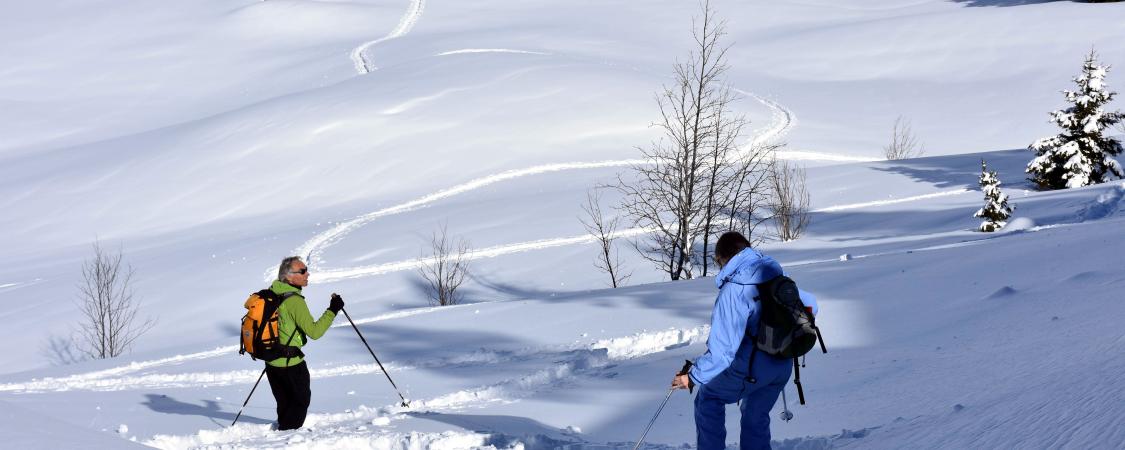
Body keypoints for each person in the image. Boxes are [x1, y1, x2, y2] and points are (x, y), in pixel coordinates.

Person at [671, 231, 818, 450]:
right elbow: (812, 306)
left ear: (723, 259)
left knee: (708, 398)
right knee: (755, 415)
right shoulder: (775, 273)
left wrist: (692, 377)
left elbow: (723, 353)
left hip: (752, 371)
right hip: (782, 366)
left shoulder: (734, 290)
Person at [266, 256, 344, 430]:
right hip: (291, 364)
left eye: (306, 270)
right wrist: (333, 309)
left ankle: (282, 432)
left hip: (271, 361)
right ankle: (288, 439)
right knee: (300, 403)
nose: (307, 274)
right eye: (302, 271)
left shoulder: (272, 292)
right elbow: (315, 332)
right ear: (289, 277)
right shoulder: (294, 301)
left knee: (284, 404)